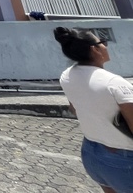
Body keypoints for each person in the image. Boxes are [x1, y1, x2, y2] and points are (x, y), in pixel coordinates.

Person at [54, 26, 133, 192]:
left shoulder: (67, 75)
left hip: (92, 153)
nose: (106, 46)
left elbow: (74, 108)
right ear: (95, 50)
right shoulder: (115, 83)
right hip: (122, 158)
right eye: (102, 42)